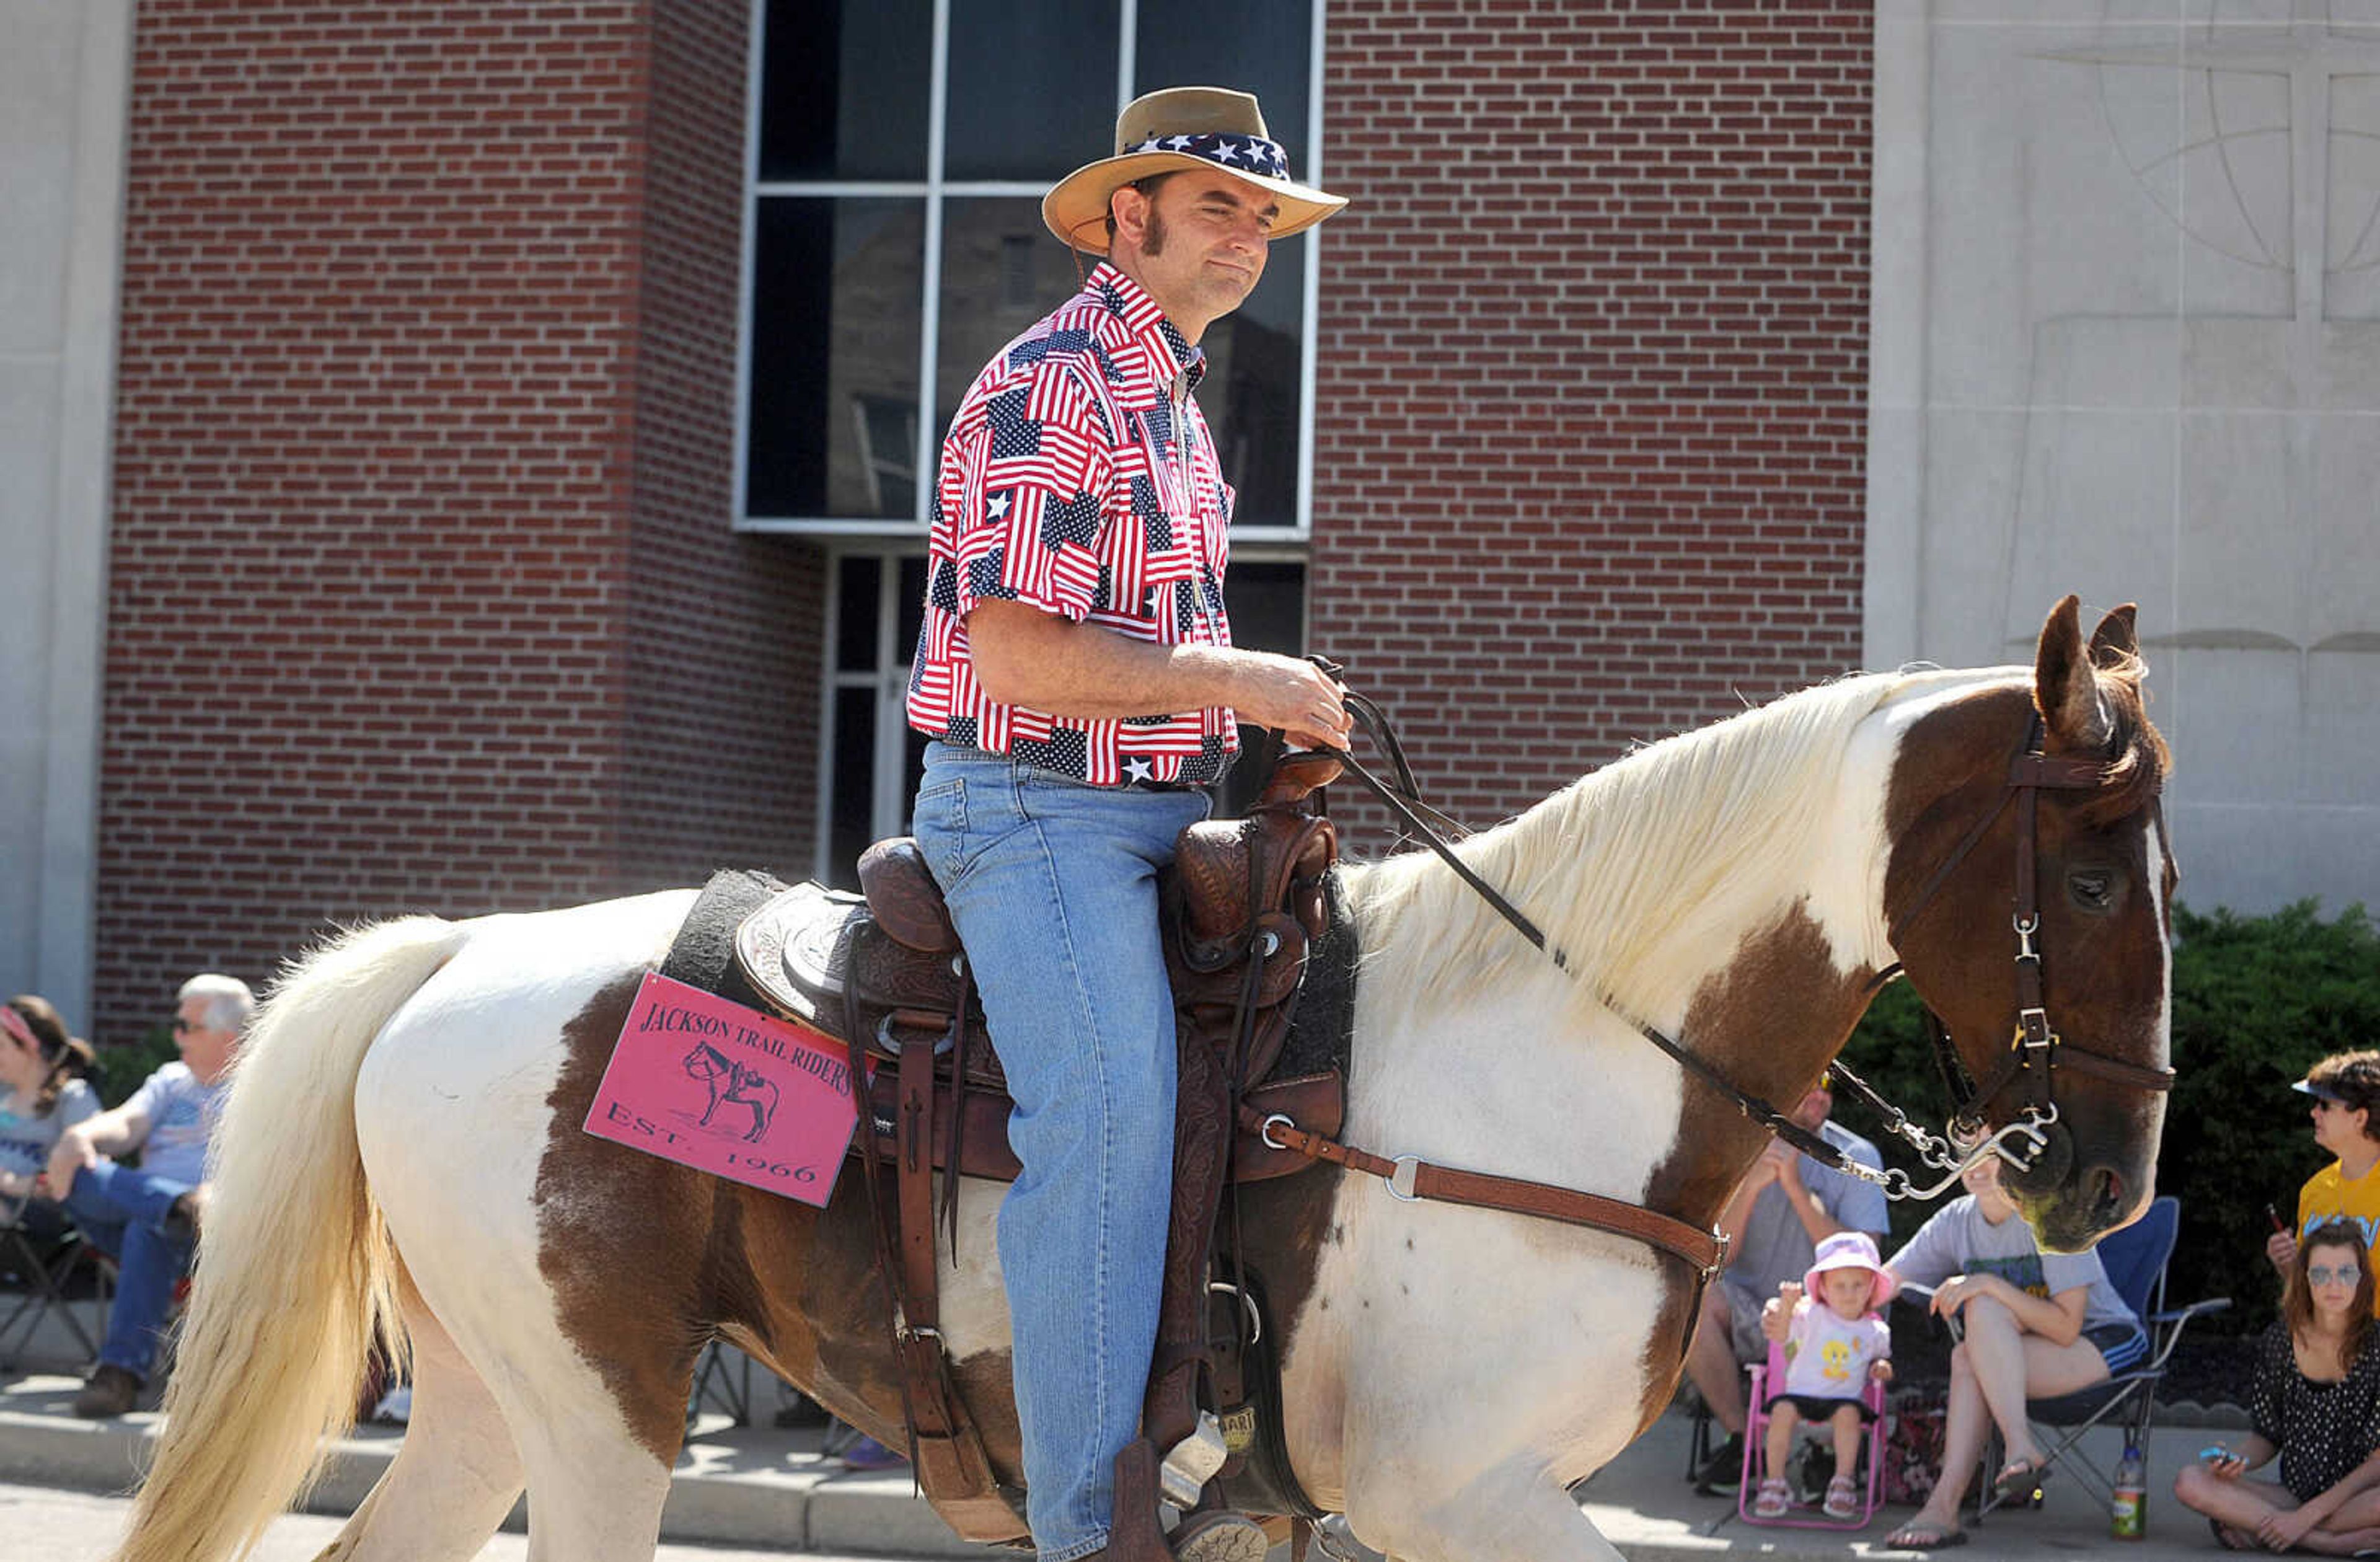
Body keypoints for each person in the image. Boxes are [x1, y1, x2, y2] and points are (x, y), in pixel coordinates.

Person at [902, 86, 1347, 1562]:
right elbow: (1019, 654)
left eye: (1265, 218)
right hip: (1034, 811)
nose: (1247, 239)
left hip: (1158, 810)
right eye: (1218, 206)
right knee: (1108, 1116)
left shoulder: (1166, 393)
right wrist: (1241, 677)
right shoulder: (1051, 386)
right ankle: (1092, 1533)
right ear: (1124, 217)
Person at [1880, 1138, 2148, 1551]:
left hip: (2104, 1342)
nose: (1978, 1165)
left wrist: (1987, 1283)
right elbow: (1884, 1283)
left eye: (1991, 1153)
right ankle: (1993, 1469)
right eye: (1968, 1154)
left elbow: (2065, 1327)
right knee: (1967, 1353)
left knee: (1981, 1308)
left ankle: (1965, 1491)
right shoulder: (1956, 1221)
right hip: (2026, 1356)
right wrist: (1810, 1304)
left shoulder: (2048, 1215)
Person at [43, 973, 253, 1418]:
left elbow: (258, 1169)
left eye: (188, 1028)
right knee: (80, 1170)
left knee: (148, 1230)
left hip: (214, 1237)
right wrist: (81, 1135)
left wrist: (212, 1196)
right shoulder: (172, 1079)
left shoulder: (257, 1091)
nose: (176, 1036)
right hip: (150, 1211)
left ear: (229, 1039)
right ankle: (175, 1205)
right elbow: (127, 1125)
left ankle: (120, 1374)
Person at [1685, 1077, 1890, 1491]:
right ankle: (1747, 1443)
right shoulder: (1742, 1148)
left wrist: (1796, 1188)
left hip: (1829, 1320)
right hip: (1755, 1315)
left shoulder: (1856, 1155)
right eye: (1809, 1081)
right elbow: (1717, 1255)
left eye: (1826, 1086)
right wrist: (1750, 1189)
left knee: (1845, 1322)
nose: (1818, 1094)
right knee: (1694, 1299)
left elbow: (1864, 1263)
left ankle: (1826, 1453)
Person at [2177, 1220, 2380, 1554]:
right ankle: (2325, 1543)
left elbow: (2376, 1463)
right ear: (2304, 1279)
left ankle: (2258, 1525)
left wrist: (2306, 1516)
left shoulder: (2375, 1347)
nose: (2334, 1285)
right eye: (2320, 1274)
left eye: (2346, 1273)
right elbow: (2267, 1435)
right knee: (2191, 1481)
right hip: (2293, 1494)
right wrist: (2235, 1459)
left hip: (2356, 1498)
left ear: (2361, 1279)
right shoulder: (2280, 1340)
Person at [1752, 1230, 1895, 1520]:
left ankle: (1843, 1482)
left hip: (1843, 1401)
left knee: (1848, 1415)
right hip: (1800, 1394)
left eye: (1858, 1285)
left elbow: (1882, 1359)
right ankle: (1775, 1481)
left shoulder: (1875, 1330)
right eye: (1839, 1286)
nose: (1848, 1293)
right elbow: (1779, 1337)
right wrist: (1788, 1305)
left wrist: (1882, 1368)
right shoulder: (1811, 1315)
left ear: (1871, 1288)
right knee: (1781, 1410)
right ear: (1825, 1290)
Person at [2268, 1054, 2380, 1310]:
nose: (2313, 1112)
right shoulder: (2315, 1189)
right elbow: (2310, 1293)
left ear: (2360, 1118)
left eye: (2324, 1105)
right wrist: (2289, 1267)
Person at [0, 995, 100, 1216]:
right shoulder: (6, 1100)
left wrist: (10, 1183)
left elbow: (85, 1171)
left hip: (42, 1216)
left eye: (2, 1046)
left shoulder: (73, 1097)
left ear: (30, 1048)